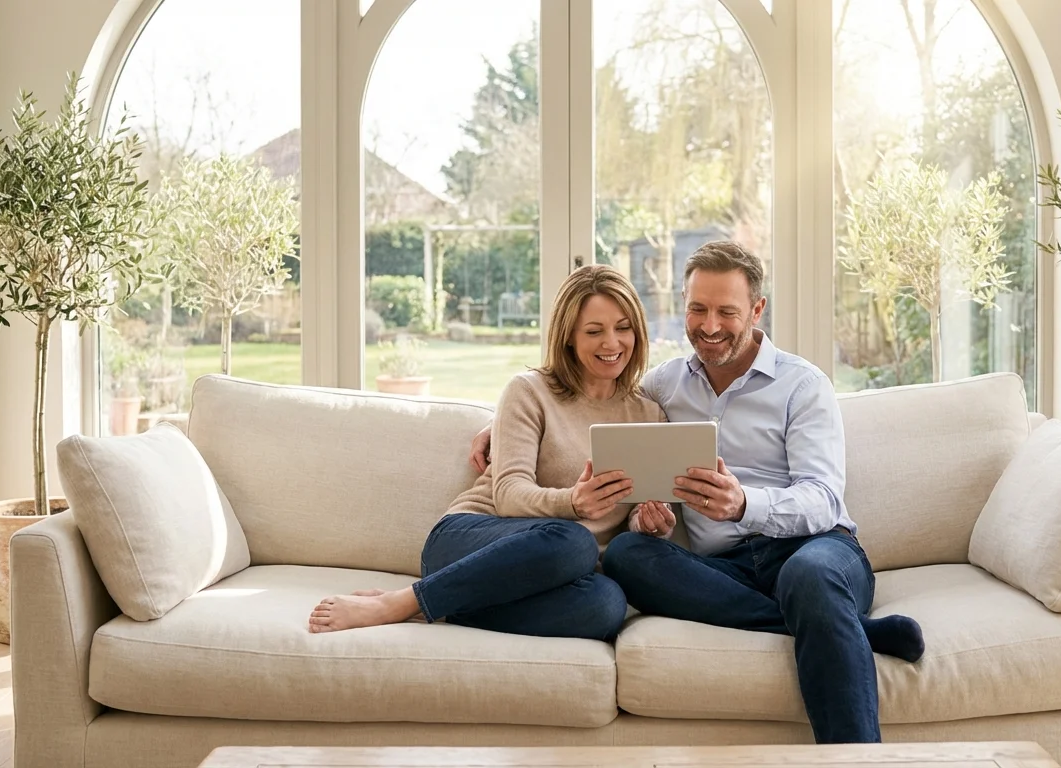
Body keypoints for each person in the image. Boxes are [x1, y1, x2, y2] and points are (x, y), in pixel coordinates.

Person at [467, 241, 924, 744]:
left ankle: (855, 755)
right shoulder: (664, 385)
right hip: (721, 570)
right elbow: (590, 397)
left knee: (809, 577)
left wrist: (744, 504)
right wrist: (500, 426)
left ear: (756, 309)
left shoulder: (802, 385)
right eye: (697, 309)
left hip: (815, 550)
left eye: (727, 312)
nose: (709, 326)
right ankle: (838, 626)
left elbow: (823, 499)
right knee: (627, 555)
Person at [309, 265, 663, 641]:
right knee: (575, 541)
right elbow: (508, 494)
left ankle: (442, 605)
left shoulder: (648, 414)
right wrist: (573, 503)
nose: (612, 343)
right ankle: (400, 603)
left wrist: (649, 522)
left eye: (623, 328)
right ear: (568, 338)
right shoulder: (530, 391)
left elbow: (634, 514)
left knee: (606, 604)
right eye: (594, 331)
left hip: (548, 573)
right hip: (468, 541)